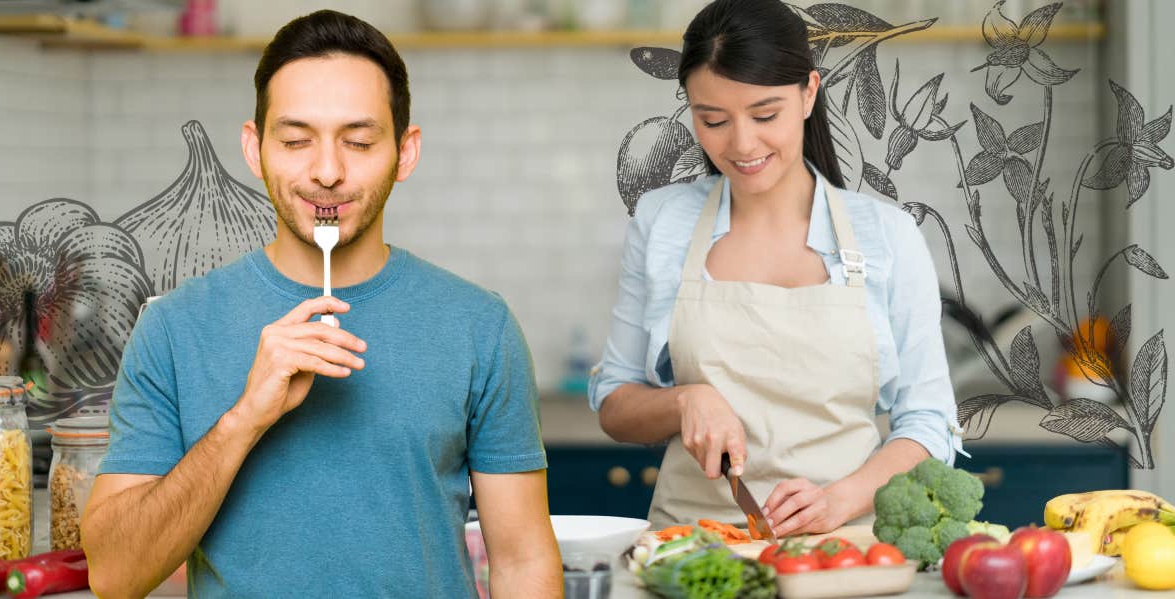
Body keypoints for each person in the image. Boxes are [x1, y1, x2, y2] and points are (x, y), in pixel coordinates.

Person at [81, 10, 561, 598]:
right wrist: (244, 418)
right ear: (255, 150)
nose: (327, 172)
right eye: (295, 140)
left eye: (358, 141)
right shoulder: (172, 329)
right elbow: (113, 576)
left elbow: (522, 563)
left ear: (405, 153)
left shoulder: (479, 327)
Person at [590, 0, 965, 535]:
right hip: (694, 551)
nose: (742, 145)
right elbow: (615, 404)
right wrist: (684, 400)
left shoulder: (887, 236)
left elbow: (929, 423)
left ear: (809, 93)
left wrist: (840, 500)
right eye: (712, 119)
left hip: (843, 549)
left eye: (765, 115)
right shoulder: (662, 221)